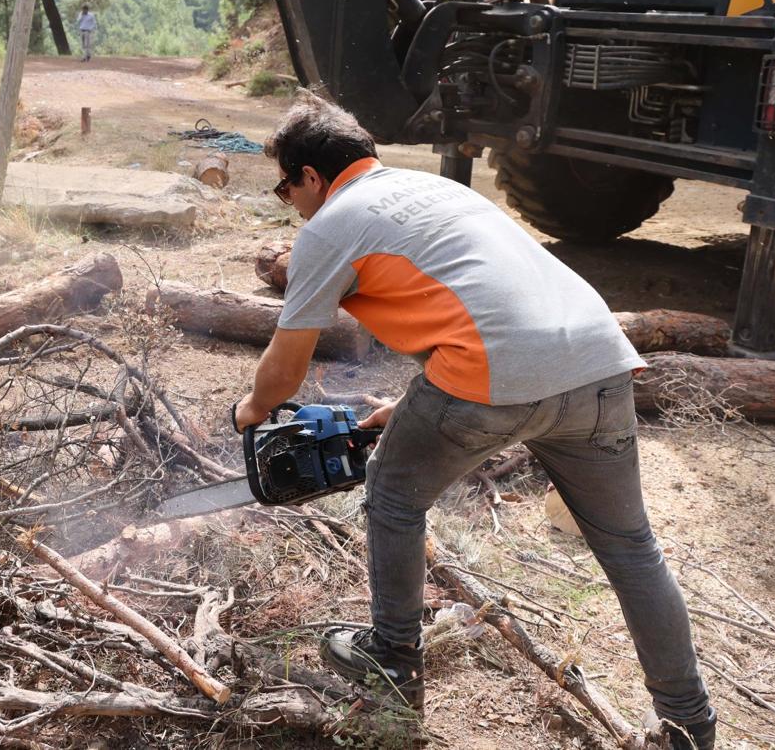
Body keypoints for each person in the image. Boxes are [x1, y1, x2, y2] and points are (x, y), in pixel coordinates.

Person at [233, 93, 717, 750]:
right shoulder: (429, 190)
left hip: (499, 374)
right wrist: (404, 407)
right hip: (599, 360)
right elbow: (485, 303)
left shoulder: (330, 222)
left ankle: (392, 656)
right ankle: (690, 727)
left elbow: (286, 369)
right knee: (633, 548)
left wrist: (252, 411)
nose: (288, 201)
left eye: (285, 187)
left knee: (393, 494)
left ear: (311, 176)